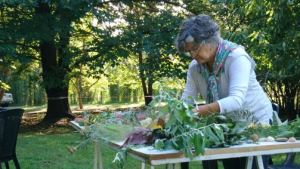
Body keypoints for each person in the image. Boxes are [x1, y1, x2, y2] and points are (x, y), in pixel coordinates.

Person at [176, 14, 273, 169]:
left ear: (209, 41)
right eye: (189, 51)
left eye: (195, 49)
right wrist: (175, 114)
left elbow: (236, 100)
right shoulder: (195, 68)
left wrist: (199, 111)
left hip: (256, 124)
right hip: (229, 127)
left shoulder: (236, 57)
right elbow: (186, 101)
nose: (193, 55)